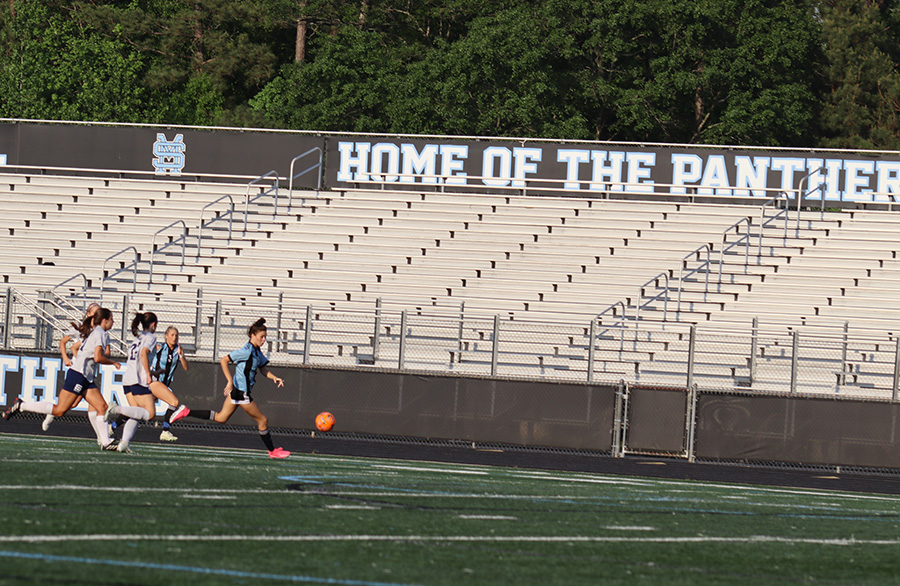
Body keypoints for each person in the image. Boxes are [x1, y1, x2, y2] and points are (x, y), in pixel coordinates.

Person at [3, 307, 120, 450]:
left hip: (85, 377)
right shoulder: (100, 332)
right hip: (78, 375)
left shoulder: (97, 332)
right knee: (59, 410)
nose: (113, 322)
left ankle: (106, 442)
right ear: (105, 320)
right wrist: (113, 362)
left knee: (102, 407)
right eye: (112, 319)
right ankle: (22, 405)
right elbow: (98, 357)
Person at [182, 318, 289, 459]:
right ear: (252, 336)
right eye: (261, 337)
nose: (263, 340)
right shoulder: (246, 351)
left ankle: (186, 412)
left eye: (265, 337)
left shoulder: (257, 352)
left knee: (221, 418)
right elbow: (224, 360)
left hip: (238, 392)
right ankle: (272, 451)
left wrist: (274, 377)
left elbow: (263, 369)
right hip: (241, 392)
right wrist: (229, 381)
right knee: (262, 420)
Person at [104, 312, 160, 454]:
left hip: (128, 378)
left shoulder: (137, 337)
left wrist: (152, 372)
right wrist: (148, 374)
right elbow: (143, 354)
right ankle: (115, 409)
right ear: (153, 324)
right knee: (150, 413)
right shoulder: (151, 337)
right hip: (138, 379)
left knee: (136, 413)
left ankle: (124, 443)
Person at [44, 303, 102, 434]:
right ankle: (102, 437)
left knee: (76, 404)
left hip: (89, 372)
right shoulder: (81, 329)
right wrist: (66, 358)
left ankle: (102, 437)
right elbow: (64, 343)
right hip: (78, 371)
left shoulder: (98, 330)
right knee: (89, 405)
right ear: (88, 314)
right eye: (94, 312)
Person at [150, 326, 190, 441]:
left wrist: (181, 356)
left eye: (176, 335)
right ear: (166, 336)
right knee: (174, 402)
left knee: (143, 410)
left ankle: (113, 425)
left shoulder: (178, 350)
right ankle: (165, 431)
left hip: (164, 384)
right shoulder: (160, 347)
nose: (174, 337)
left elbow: (186, 367)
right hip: (155, 382)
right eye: (172, 335)